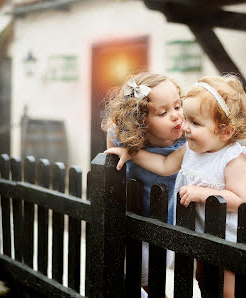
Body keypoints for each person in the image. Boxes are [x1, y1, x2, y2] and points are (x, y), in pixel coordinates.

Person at [105, 74, 246, 298]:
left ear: (226, 131)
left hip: (234, 237)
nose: (184, 125)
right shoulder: (190, 149)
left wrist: (202, 193)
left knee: (228, 290)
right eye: (187, 118)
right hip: (204, 233)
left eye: (194, 122)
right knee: (204, 280)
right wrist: (130, 152)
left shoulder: (233, 158)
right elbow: (164, 164)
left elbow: (242, 201)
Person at [101, 71, 185, 293]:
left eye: (178, 107)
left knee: (150, 274)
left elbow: (168, 165)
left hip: (164, 224)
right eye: (163, 112)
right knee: (130, 276)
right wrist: (125, 147)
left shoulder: (185, 142)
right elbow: (113, 152)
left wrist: (132, 152)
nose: (176, 116)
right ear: (140, 121)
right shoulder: (122, 136)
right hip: (129, 220)